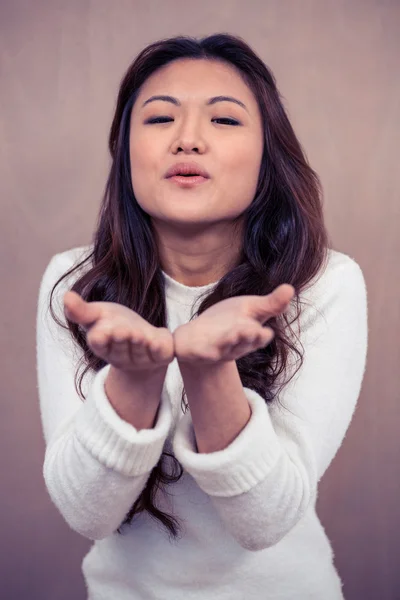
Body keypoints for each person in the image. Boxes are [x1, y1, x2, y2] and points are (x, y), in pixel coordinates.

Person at [36, 33, 368, 600]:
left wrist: (211, 369)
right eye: (161, 119)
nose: (188, 140)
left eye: (225, 121)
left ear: (268, 153)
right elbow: (85, 514)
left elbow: (265, 522)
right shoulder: (78, 284)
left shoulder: (322, 283)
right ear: (126, 151)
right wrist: (136, 378)